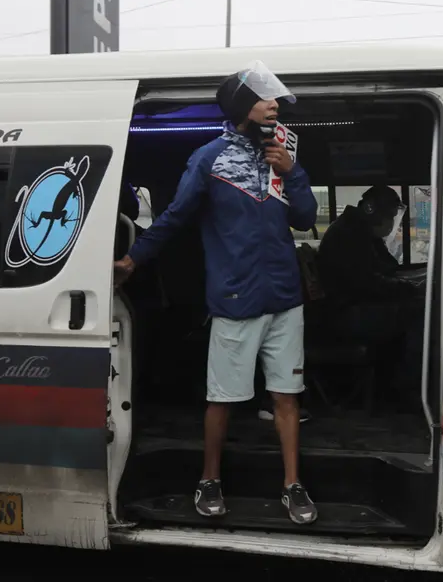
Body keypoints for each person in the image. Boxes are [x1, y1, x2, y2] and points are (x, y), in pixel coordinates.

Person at [113, 61, 319, 525]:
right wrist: (133, 259)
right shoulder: (209, 158)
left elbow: (305, 218)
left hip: (285, 298)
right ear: (243, 104)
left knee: (288, 396)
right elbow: (175, 216)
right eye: (267, 97)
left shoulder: (284, 153)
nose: (276, 104)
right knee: (223, 398)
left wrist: (293, 170)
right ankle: (209, 479)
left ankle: (292, 484)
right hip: (234, 300)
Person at [316, 185, 424, 408]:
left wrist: (411, 282)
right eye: (390, 216)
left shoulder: (363, 232)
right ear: (373, 210)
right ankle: (405, 388)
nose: (391, 223)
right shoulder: (347, 234)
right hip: (344, 313)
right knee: (419, 313)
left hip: (358, 304)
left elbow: (389, 268)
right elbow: (365, 282)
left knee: (415, 306)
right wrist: (408, 288)